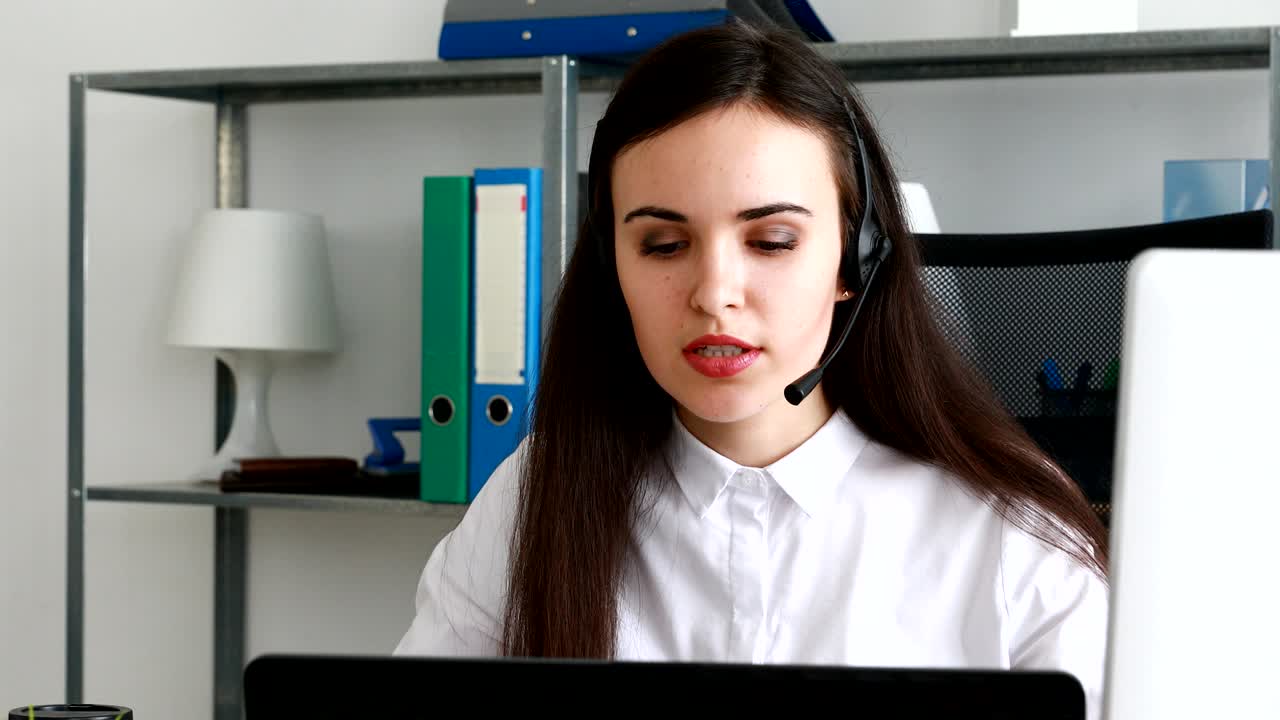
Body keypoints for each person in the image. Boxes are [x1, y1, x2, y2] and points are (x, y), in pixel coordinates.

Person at [396, 18, 1109, 719]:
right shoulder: (536, 495)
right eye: (663, 245)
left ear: (855, 261)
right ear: (612, 268)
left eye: (771, 241)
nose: (714, 294)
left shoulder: (1014, 533)